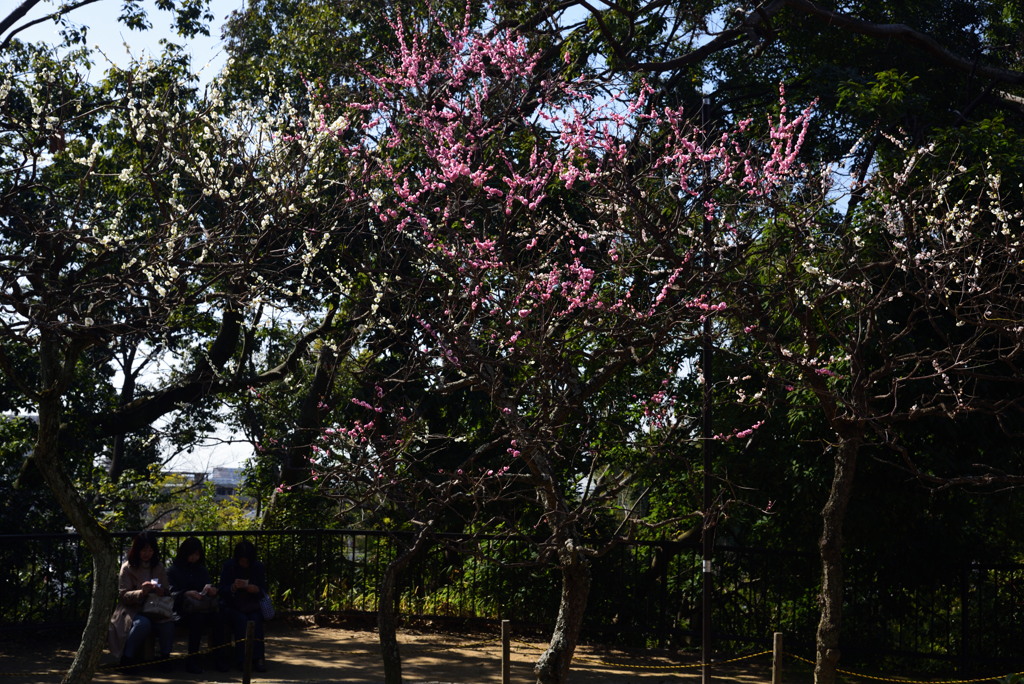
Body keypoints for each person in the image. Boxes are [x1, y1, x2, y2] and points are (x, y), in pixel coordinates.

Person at [108, 531, 176, 673]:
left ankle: (165, 659)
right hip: (132, 609)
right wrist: (141, 592)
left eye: (150, 550)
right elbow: (123, 595)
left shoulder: (159, 567)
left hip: (155, 606)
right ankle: (127, 659)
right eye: (144, 550)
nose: (147, 554)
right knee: (143, 624)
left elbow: (167, 590)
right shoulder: (127, 567)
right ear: (136, 550)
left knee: (168, 623)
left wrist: (161, 591)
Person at [167, 537, 229, 673]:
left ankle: (220, 659)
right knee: (197, 620)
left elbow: (207, 586)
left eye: (197, 555)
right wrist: (186, 593)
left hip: (202, 607)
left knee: (217, 619)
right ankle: (192, 659)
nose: (194, 558)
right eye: (192, 555)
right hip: (183, 610)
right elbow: (171, 594)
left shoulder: (201, 570)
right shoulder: (172, 570)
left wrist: (211, 590)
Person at [218, 540, 268, 672]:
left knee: (255, 619)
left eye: (247, 561)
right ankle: (242, 659)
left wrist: (256, 589)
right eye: (242, 561)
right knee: (241, 620)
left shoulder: (257, 567)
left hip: (251, 605)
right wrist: (233, 587)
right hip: (232, 605)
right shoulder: (229, 566)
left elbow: (263, 590)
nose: (244, 564)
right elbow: (222, 590)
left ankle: (257, 658)